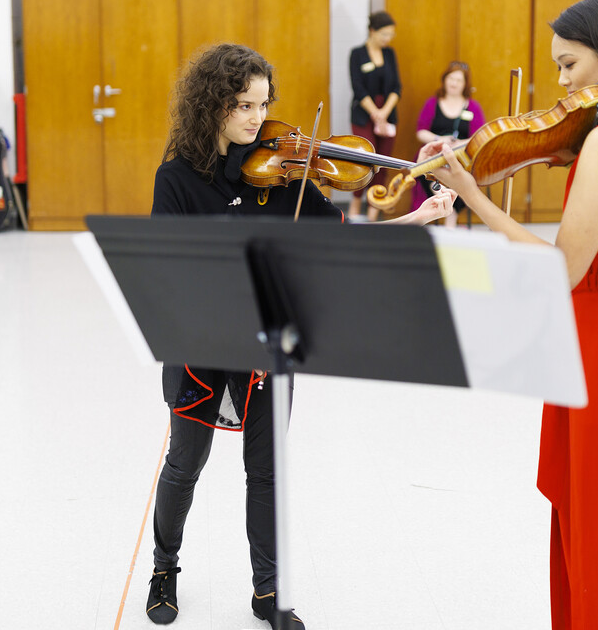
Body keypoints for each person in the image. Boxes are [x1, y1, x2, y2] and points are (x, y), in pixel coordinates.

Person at [421, 0, 598, 629]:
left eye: (569, 64)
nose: (561, 84)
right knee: (594, 526)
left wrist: (476, 199)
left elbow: (561, 269)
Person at [147, 43, 454, 629]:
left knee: (266, 469)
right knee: (185, 463)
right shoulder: (177, 179)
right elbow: (171, 270)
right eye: (243, 105)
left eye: (263, 104)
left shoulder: (285, 173)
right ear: (212, 106)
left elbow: (341, 240)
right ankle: (165, 567)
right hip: (202, 341)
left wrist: (419, 217)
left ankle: (269, 591)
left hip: (268, 343)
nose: (258, 119)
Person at [409, 61, 487, 227]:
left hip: (460, 156)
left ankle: (450, 219)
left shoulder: (473, 106)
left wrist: (459, 144)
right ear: (444, 79)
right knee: (427, 168)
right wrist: (439, 140)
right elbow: (420, 131)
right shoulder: (432, 103)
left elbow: (480, 136)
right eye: (451, 78)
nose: (454, 83)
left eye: (459, 80)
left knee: (464, 175)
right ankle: (441, 205)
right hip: (434, 153)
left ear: (465, 84)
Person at [347, 11, 401, 222]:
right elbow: (358, 88)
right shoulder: (357, 54)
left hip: (387, 114)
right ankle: (354, 207)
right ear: (372, 31)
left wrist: (384, 113)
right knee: (364, 159)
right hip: (364, 113)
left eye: (390, 35)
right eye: (384, 34)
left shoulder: (390, 54)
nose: (387, 39)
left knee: (383, 163)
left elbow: (397, 87)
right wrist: (375, 113)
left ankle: (373, 213)